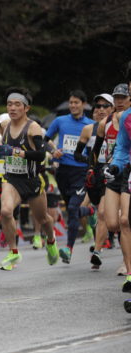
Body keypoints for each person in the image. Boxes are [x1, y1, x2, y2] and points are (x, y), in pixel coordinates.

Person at [0, 87, 59, 270]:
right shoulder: (6, 127)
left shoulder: (33, 127)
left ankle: (51, 241)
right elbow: (2, 150)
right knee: (6, 211)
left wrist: (16, 152)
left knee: (43, 219)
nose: (12, 108)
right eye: (9, 104)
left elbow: (40, 155)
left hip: (31, 179)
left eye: (17, 104)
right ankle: (14, 253)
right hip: (12, 178)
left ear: (26, 108)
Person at [45, 90, 95, 263]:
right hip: (63, 171)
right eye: (71, 102)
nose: (73, 105)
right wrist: (53, 151)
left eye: (76, 103)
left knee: (73, 209)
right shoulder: (60, 121)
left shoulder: (90, 125)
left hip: (81, 172)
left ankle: (68, 248)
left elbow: (94, 150)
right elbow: (44, 139)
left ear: (84, 104)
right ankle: (90, 210)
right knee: (72, 210)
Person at [74, 93, 114, 269]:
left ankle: (97, 251)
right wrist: (91, 164)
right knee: (91, 210)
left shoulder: (120, 128)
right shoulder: (88, 129)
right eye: (98, 106)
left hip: (114, 175)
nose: (101, 109)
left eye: (105, 106)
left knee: (103, 213)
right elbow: (77, 154)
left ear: (113, 109)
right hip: (94, 175)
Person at [106, 85, 131, 292]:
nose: (120, 100)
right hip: (125, 173)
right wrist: (115, 164)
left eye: (124, 96)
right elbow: (122, 146)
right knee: (120, 221)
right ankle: (130, 272)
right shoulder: (125, 118)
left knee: (125, 220)